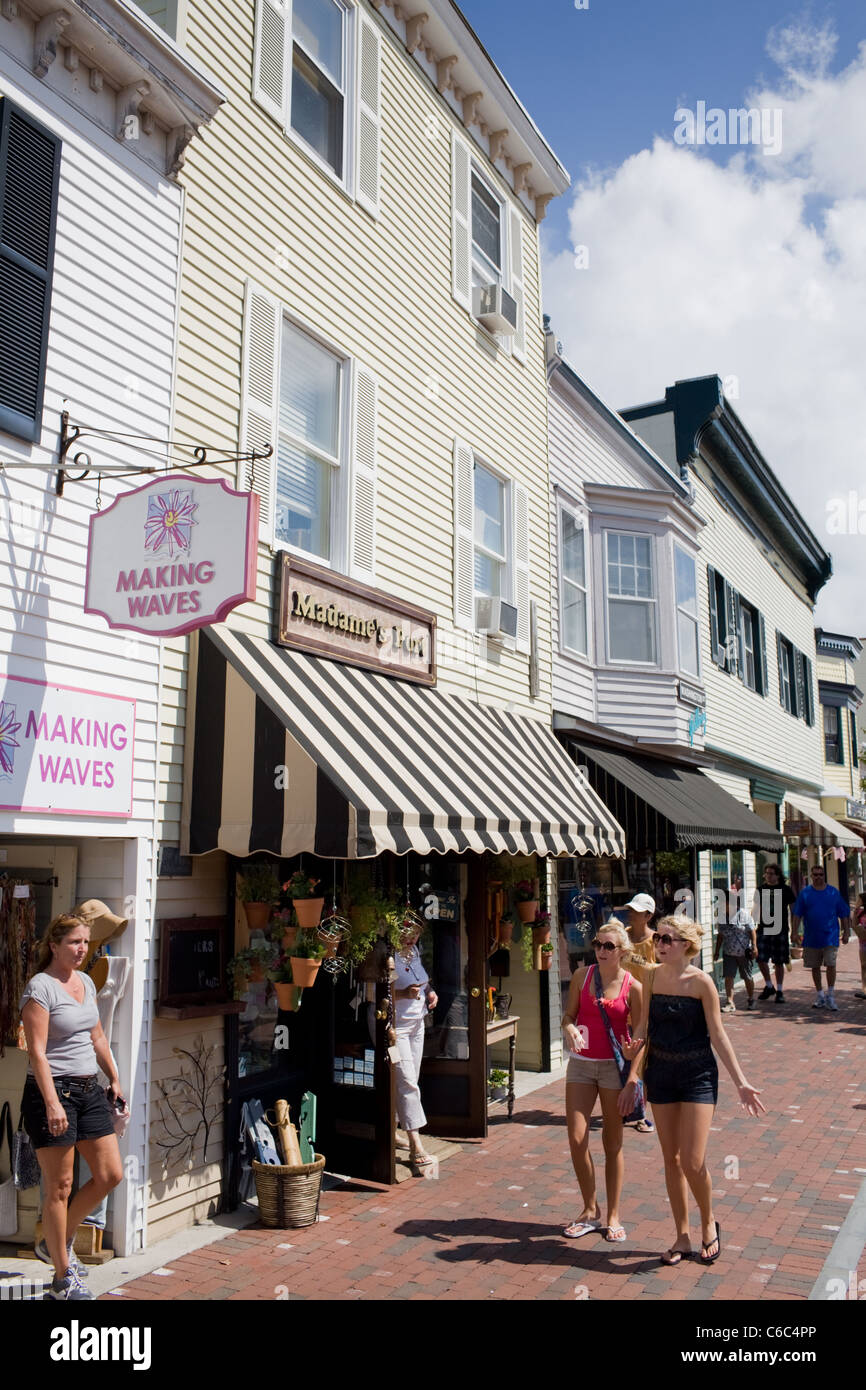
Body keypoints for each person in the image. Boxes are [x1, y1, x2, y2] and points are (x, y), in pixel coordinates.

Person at [620, 916, 764, 1265]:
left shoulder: (702, 983)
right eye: (658, 939)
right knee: (671, 1159)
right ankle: (682, 1236)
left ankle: (708, 1225)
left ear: (686, 944)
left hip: (698, 1073)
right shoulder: (652, 977)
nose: (660, 945)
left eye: (667, 939)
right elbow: (642, 1029)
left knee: (692, 1160)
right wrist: (632, 1069)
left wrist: (741, 1082)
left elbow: (718, 1035)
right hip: (663, 1072)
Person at [19, 914, 125, 1301]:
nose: (82, 949)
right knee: (60, 1187)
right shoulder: (40, 988)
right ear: (54, 945)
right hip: (53, 1093)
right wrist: (51, 1103)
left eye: (85, 942)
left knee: (110, 1174)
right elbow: (38, 1053)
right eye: (74, 943)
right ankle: (63, 1279)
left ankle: (55, 1241)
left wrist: (113, 1077)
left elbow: (97, 1037)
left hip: (89, 1089)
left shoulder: (84, 981)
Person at [560, 922, 643, 1244]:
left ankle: (613, 1215)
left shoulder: (632, 986)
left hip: (613, 1069)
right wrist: (569, 1029)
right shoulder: (582, 976)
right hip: (581, 1066)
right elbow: (568, 1016)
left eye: (609, 946)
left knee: (613, 1143)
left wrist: (633, 1076)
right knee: (577, 1139)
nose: (601, 950)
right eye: (598, 943)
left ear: (622, 951)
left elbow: (641, 1034)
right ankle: (589, 1210)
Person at [392, 925, 438, 1172]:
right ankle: (415, 1143)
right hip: (394, 1028)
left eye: (416, 933)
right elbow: (373, 990)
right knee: (407, 1081)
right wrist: (402, 993)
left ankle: (391, 1130)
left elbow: (419, 978)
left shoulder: (414, 952)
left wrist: (429, 991)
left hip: (416, 1024)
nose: (411, 938)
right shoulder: (387, 954)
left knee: (409, 1079)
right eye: (406, 932)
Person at [621, 893, 657, 1134]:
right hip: (621, 1007)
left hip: (645, 1009)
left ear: (648, 915)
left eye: (637, 911)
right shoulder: (621, 934)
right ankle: (625, 1108)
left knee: (641, 1061)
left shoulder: (656, 941)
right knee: (622, 1060)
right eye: (630, 909)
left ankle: (641, 1114)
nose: (631, 913)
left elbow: (661, 971)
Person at [792, 862, 851, 1010]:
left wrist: (846, 931)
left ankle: (830, 995)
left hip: (830, 936)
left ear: (824, 875)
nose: (818, 877)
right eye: (815, 874)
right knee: (815, 967)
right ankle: (820, 995)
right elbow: (797, 914)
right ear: (811, 876)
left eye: (821, 874)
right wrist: (793, 931)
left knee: (831, 964)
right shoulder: (805, 893)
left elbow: (843, 913)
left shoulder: (833, 892)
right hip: (811, 937)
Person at [753, 863, 795, 1004]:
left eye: (771, 873)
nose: (768, 876)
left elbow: (793, 910)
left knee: (779, 961)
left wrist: (794, 929)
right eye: (766, 873)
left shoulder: (785, 890)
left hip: (780, 928)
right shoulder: (760, 890)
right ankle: (769, 985)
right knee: (760, 958)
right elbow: (756, 909)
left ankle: (780, 990)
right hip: (763, 928)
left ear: (777, 875)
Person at [713, 900, 757, 1012]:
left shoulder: (743, 914)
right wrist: (717, 951)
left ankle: (751, 999)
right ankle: (730, 1002)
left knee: (747, 977)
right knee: (729, 976)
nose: (722, 906)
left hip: (744, 952)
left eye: (724, 904)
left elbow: (752, 931)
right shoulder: (722, 917)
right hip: (728, 952)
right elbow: (720, 935)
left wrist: (754, 947)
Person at [853, 894, 866, 999]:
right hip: (863, 944)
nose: (857, 901)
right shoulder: (860, 913)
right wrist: (855, 910)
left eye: (859, 900)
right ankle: (864, 989)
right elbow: (854, 925)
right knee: (863, 966)